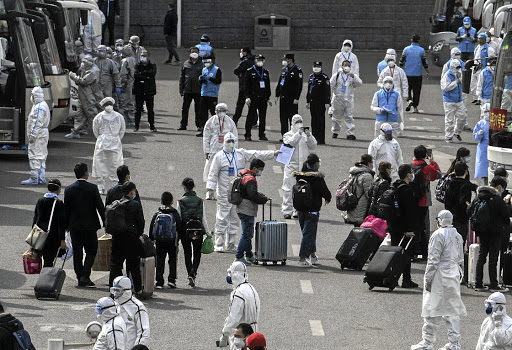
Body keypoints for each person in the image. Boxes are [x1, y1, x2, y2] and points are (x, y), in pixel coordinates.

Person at [206, 132, 278, 252]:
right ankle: (218, 243)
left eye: (232, 141)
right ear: (224, 142)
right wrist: (210, 189)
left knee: (235, 218)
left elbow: (256, 154)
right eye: (228, 141)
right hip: (224, 192)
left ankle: (231, 243)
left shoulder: (240, 153)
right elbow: (212, 173)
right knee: (222, 217)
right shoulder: (219, 156)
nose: (230, 144)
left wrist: (273, 154)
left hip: (238, 192)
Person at [410, 210, 466, 350]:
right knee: (452, 310)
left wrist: (428, 279)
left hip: (439, 274)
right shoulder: (457, 235)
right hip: (453, 274)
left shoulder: (438, 235)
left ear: (440, 220)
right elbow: (460, 258)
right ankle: (454, 343)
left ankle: (428, 341)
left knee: (431, 307)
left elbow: (433, 260)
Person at [64, 163, 105, 288]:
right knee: (92, 250)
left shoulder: (69, 189)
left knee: (77, 251)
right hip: (90, 225)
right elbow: (100, 207)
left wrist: (66, 226)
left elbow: (67, 209)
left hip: (75, 226)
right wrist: (106, 222)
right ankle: (85, 275)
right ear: (86, 173)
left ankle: (79, 275)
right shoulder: (92, 188)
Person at [469, 176, 510, 292]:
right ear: (499, 186)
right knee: (493, 258)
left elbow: (469, 211)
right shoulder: (497, 199)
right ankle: (493, 284)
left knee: (481, 257)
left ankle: (478, 283)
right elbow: (506, 216)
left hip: (482, 232)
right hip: (495, 233)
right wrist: (506, 204)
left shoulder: (479, 197)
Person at [292, 153, 332, 267]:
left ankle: (313, 255)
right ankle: (302, 258)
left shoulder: (300, 176)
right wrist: (328, 198)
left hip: (300, 209)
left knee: (308, 233)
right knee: (309, 234)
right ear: (315, 163)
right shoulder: (317, 178)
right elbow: (325, 192)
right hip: (312, 210)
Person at [108, 182, 145, 295]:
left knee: (115, 265)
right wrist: (138, 234)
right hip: (131, 239)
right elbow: (141, 222)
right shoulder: (135, 204)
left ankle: (113, 289)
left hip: (117, 238)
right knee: (133, 265)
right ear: (131, 192)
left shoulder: (116, 204)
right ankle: (138, 289)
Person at [281, 114, 317, 219]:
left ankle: (297, 210)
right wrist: (298, 134)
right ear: (292, 123)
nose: (299, 124)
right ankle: (287, 210)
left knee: (302, 190)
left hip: (303, 167)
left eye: (300, 121)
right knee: (288, 189)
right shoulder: (288, 135)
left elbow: (313, 145)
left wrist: (309, 135)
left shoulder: (306, 135)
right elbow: (290, 143)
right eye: (297, 122)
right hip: (291, 166)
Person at [389, 164, 419, 288]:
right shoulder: (407, 190)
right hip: (404, 228)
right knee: (406, 254)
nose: (412, 175)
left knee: (395, 253)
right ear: (408, 174)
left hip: (393, 226)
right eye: (411, 173)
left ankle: (392, 277)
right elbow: (409, 212)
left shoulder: (394, 187)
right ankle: (406, 279)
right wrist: (409, 229)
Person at [176, 177, 210, 288]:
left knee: (187, 252)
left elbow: (178, 218)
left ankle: (189, 272)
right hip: (198, 231)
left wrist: (177, 234)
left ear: (184, 188)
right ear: (193, 187)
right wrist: (208, 233)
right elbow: (203, 218)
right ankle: (193, 273)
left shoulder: (180, 202)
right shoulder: (200, 201)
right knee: (197, 252)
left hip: (185, 232)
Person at [218, 261, 260, 348]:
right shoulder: (251, 288)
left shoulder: (239, 293)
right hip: (254, 333)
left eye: (230, 273)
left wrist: (224, 336)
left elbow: (233, 318)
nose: (229, 276)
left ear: (235, 274)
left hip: (241, 336)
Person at [235, 159, 269, 265]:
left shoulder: (245, 176)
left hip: (243, 208)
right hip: (246, 209)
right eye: (260, 170)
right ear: (254, 168)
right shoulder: (250, 179)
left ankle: (249, 255)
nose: (260, 172)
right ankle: (239, 256)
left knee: (248, 233)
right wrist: (263, 199)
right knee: (247, 234)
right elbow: (252, 195)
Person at [91, 97, 126, 195]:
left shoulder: (98, 117)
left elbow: (95, 130)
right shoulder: (119, 116)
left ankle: (101, 187)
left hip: (102, 143)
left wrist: (101, 138)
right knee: (115, 164)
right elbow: (122, 130)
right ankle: (114, 186)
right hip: (114, 142)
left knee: (100, 164)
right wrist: (117, 138)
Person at [148, 191, 181, 289]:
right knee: (172, 260)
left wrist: (152, 238)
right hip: (172, 241)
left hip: (160, 241)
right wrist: (178, 239)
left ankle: (159, 281)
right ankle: (172, 280)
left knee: (160, 260)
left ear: (161, 201)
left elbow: (152, 226)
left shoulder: (158, 213)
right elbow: (179, 226)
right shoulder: (174, 213)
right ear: (172, 202)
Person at [66, 56, 103, 139]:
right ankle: (77, 131)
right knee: (80, 115)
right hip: (83, 96)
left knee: (92, 115)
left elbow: (83, 82)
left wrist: (73, 76)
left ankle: (102, 131)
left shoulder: (92, 71)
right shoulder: (89, 69)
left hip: (88, 97)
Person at [32, 179, 66, 267]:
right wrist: (62, 239)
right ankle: (46, 278)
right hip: (52, 235)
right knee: (49, 260)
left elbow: (36, 218)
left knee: (43, 257)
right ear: (58, 190)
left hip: (40, 233)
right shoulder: (58, 203)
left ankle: (44, 276)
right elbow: (61, 223)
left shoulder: (41, 200)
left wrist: (33, 235)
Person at [21, 86, 51, 185]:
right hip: (43, 133)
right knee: (42, 155)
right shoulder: (43, 105)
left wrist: (32, 135)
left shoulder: (39, 108)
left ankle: (34, 177)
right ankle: (41, 176)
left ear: (34, 96)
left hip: (38, 134)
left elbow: (36, 122)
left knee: (34, 154)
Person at [110, 276, 150, 349]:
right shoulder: (113, 306)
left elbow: (143, 331)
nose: (115, 293)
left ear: (126, 290)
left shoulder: (137, 307)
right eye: (114, 290)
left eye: (118, 290)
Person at [203, 103, 238, 182]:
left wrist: (235, 149)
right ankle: (210, 181)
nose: (221, 112)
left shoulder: (230, 122)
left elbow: (235, 136)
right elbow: (206, 137)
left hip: (226, 147)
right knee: (212, 165)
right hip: (214, 147)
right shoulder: (210, 121)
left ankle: (228, 180)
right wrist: (206, 151)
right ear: (216, 111)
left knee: (227, 164)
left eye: (223, 110)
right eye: (220, 110)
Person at [330, 60, 363, 140]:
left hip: (349, 99)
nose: (347, 67)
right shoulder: (337, 75)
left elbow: (360, 83)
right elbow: (331, 85)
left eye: (348, 66)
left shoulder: (352, 76)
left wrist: (354, 77)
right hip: (338, 99)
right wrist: (334, 94)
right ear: (342, 66)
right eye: (345, 65)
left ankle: (350, 133)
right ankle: (335, 131)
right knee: (336, 117)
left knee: (349, 117)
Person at [275, 53, 303, 139]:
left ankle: (294, 136)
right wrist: (277, 94)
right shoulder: (285, 70)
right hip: (283, 98)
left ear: (290, 60)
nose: (284, 61)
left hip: (292, 98)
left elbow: (299, 86)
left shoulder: (297, 70)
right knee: (283, 118)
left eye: (286, 59)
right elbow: (280, 82)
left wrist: (296, 98)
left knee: (292, 118)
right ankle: (284, 136)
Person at [444, 162, 473, 246]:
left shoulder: (449, 183)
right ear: (466, 172)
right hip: (461, 218)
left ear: (455, 172)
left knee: (450, 244)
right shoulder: (466, 186)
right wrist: (470, 207)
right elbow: (464, 202)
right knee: (459, 244)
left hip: (450, 218)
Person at [244, 54, 272, 141]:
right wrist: (247, 97)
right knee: (250, 116)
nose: (260, 62)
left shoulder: (265, 72)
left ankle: (261, 134)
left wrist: (268, 97)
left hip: (263, 97)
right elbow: (246, 85)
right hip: (253, 97)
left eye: (261, 60)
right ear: (255, 60)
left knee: (262, 117)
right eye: (258, 60)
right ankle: (247, 134)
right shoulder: (249, 71)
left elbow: (268, 86)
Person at [399, 34, 429, 114]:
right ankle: (415, 107)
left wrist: (400, 68)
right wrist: (427, 70)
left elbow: (401, 61)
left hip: (407, 73)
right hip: (418, 74)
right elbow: (424, 61)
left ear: (411, 40)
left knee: (407, 88)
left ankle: (409, 100)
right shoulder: (421, 50)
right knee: (417, 91)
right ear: (419, 41)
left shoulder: (406, 49)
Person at [344, 154, 374, 226]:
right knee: (360, 232)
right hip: (361, 208)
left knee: (356, 230)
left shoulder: (353, 173)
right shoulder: (367, 176)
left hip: (352, 205)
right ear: (369, 163)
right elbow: (369, 194)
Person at [306, 61, 330, 145]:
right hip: (312, 102)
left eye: (318, 66)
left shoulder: (324, 77)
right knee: (314, 120)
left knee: (320, 120)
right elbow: (309, 90)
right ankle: (314, 138)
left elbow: (327, 90)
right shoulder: (311, 77)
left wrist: (327, 102)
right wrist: (307, 101)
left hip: (321, 102)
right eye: (315, 66)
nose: (316, 68)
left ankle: (321, 139)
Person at [197, 55, 222, 137]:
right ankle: (204, 130)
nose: (206, 64)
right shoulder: (204, 69)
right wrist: (201, 80)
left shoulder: (217, 70)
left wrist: (209, 78)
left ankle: (217, 131)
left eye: (207, 62)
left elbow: (218, 81)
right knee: (202, 113)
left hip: (212, 94)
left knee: (214, 113)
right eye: (204, 62)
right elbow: (201, 82)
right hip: (204, 93)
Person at [178, 47, 202, 131]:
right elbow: (182, 77)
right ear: (189, 53)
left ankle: (199, 125)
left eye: (196, 52)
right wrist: (181, 89)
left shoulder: (202, 64)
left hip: (198, 90)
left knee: (198, 109)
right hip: (188, 89)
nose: (194, 53)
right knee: (185, 108)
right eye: (193, 52)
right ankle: (183, 125)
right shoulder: (186, 64)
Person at [442, 59, 466, 143]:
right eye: (457, 67)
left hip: (459, 100)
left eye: (459, 67)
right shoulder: (447, 76)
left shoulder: (458, 74)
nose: (458, 69)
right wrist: (456, 82)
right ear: (452, 67)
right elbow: (446, 88)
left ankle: (457, 132)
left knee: (463, 117)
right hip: (449, 101)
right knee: (449, 120)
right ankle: (448, 137)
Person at [133, 50, 157, 132]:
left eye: (145, 56)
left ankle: (152, 125)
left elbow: (152, 74)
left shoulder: (152, 65)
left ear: (148, 57)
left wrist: (142, 74)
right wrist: (146, 76)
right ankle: (136, 125)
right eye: (142, 56)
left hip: (149, 90)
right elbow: (135, 75)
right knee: (138, 109)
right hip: (138, 90)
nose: (143, 57)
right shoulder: (137, 65)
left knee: (150, 109)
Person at [233, 47, 255, 125]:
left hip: (244, 86)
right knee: (252, 105)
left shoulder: (245, 61)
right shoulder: (254, 60)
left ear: (245, 52)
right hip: (253, 86)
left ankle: (235, 120)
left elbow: (236, 71)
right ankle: (254, 121)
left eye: (241, 51)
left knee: (240, 105)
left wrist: (241, 74)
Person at [118, 46, 136, 127]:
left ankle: (125, 119)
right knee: (132, 101)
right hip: (135, 82)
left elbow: (123, 74)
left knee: (124, 101)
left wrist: (121, 85)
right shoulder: (133, 59)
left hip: (128, 83)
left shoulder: (125, 61)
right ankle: (132, 118)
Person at [471, 33, 490, 104]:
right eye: (479, 38)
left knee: (480, 83)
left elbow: (490, 59)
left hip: (482, 68)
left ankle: (479, 98)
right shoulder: (477, 47)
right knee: (473, 84)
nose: (479, 40)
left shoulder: (488, 48)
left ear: (485, 40)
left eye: (481, 38)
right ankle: (475, 97)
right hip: (475, 67)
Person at [473, 103, 490, 185]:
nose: (487, 113)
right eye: (486, 111)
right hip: (483, 148)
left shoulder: (495, 122)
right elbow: (475, 137)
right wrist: (479, 134)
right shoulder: (480, 123)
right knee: (484, 171)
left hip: (491, 146)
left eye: (489, 111)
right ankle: (485, 186)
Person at [477, 48, 496, 114]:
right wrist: (479, 97)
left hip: (496, 97)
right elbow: (480, 84)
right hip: (485, 98)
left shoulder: (499, 72)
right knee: (484, 115)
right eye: (492, 61)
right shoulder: (484, 72)